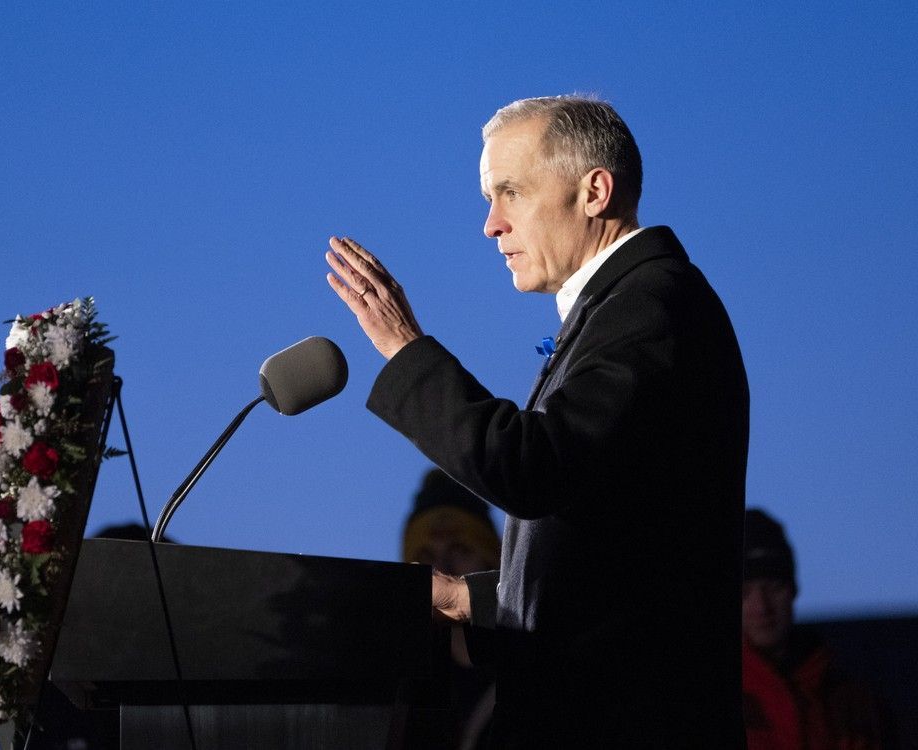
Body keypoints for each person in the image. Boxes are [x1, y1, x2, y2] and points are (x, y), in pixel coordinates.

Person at [326, 95, 750, 747]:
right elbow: (620, 558)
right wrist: (469, 600)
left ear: (594, 191)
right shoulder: (626, 309)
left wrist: (402, 346)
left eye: (510, 192)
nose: (491, 224)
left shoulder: (652, 308)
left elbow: (535, 467)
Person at [742, 509, 894, 750]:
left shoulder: (852, 703)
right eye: (745, 593)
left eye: (774, 587)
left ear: (793, 591)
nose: (762, 607)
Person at [403, 468, 501, 749]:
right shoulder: (406, 688)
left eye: (459, 551)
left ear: (492, 559)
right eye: (425, 557)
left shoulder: (538, 664)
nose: (442, 569)